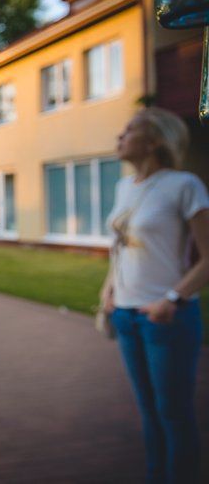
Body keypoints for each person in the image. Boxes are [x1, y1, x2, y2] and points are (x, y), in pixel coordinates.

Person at [100, 107, 209, 484]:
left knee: (174, 414)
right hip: (125, 315)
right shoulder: (123, 187)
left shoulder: (184, 185)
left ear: (154, 140)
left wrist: (172, 300)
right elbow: (120, 249)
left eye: (129, 130)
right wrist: (109, 292)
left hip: (166, 318)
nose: (120, 136)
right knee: (148, 411)